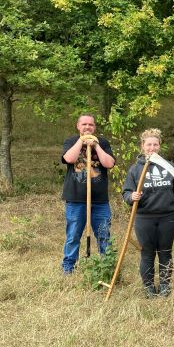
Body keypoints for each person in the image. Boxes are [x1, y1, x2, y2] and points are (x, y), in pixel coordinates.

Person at [122, 129, 174, 298]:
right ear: (142, 146)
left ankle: (165, 285)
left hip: (168, 217)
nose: (152, 148)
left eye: (155, 144)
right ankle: (149, 287)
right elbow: (126, 192)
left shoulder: (170, 167)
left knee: (165, 252)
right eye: (148, 144)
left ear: (160, 146)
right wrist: (131, 196)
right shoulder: (135, 170)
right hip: (144, 218)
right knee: (147, 253)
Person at [61, 114, 115, 274]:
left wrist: (96, 146)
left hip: (99, 201)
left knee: (104, 234)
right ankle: (68, 269)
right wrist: (82, 141)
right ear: (78, 126)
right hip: (76, 199)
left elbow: (109, 163)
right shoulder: (71, 141)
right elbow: (69, 159)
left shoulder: (103, 143)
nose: (87, 127)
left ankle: (108, 268)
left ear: (95, 127)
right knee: (73, 236)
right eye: (84, 124)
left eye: (91, 125)